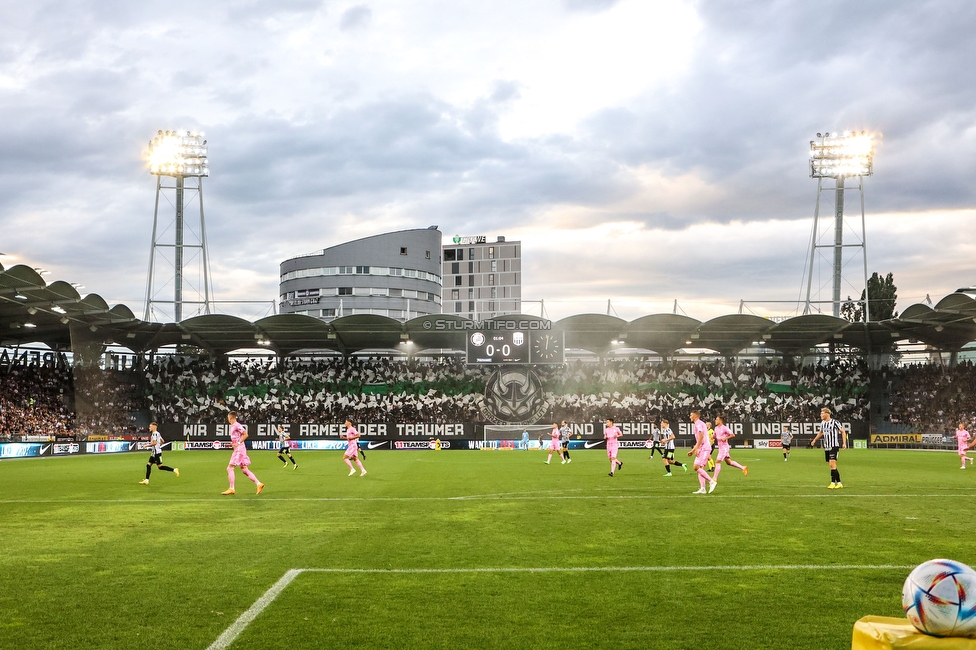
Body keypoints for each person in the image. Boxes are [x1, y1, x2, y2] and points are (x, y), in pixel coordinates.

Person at [223, 411, 264, 496]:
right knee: (244, 470)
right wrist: (232, 444)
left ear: (231, 418)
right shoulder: (233, 426)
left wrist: (238, 444)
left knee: (230, 468)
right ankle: (259, 484)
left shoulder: (237, 425)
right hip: (239, 449)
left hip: (239, 449)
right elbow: (237, 439)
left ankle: (231, 488)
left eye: (228, 418)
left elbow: (245, 434)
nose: (228, 419)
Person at [810, 408, 847, 489]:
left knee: (832, 464)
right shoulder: (823, 423)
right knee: (832, 466)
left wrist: (844, 443)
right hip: (827, 446)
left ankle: (833, 482)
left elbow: (843, 431)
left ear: (827, 414)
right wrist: (815, 440)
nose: (820, 415)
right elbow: (821, 432)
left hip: (834, 446)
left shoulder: (835, 422)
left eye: (822, 413)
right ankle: (839, 483)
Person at [687, 411, 717, 494]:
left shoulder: (698, 423)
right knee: (700, 468)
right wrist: (693, 450)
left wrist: (696, 449)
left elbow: (701, 436)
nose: (690, 416)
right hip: (701, 448)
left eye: (691, 415)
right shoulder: (699, 423)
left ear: (695, 416)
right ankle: (703, 488)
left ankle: (711, 481)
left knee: (696, 467)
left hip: (705, 448)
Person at [712, 416, 748, 482]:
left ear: (720, 420)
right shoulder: (716, 428)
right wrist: (713, 437)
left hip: (724, 447)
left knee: (717, 462)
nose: (715, 421)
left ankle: (714, 478)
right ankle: (743, 467)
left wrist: (725, 438)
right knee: (729, 462)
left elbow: (732, 434)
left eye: (717, 419)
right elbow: (714, 436)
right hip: (720, 448)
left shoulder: (725, 428)